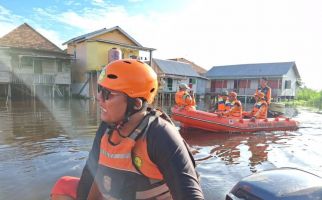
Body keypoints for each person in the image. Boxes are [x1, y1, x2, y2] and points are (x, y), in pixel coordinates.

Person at [50, 59, 204, 200]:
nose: (98, 97)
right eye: (100, 89)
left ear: (136, 104)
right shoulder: (107, 128)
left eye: (107, 93)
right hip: (121, 191)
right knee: (62, 185)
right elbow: (94, 173)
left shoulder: (160, 135)